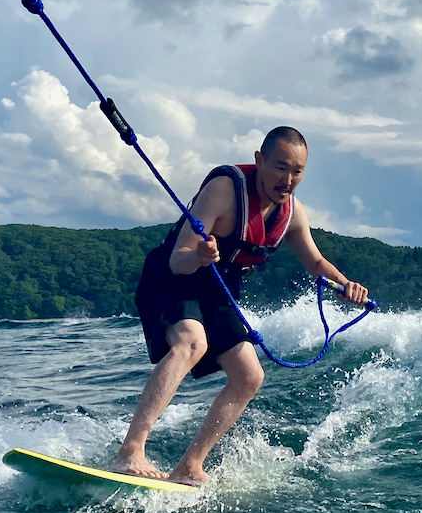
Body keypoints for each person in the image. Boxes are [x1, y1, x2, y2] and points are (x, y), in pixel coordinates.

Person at [117, 126, 368, 484]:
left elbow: (315, 262)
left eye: (297, 171)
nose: (288, 179)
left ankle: (189, 466)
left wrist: (345, 285)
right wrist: (201, 256)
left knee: (250, 376)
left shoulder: (292, 215)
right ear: (259, 160)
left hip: (220, 289)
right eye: (281, 167)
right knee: (191, 342)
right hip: (174, 276)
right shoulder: (224, 190)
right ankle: (131, 450)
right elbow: (178, 260)